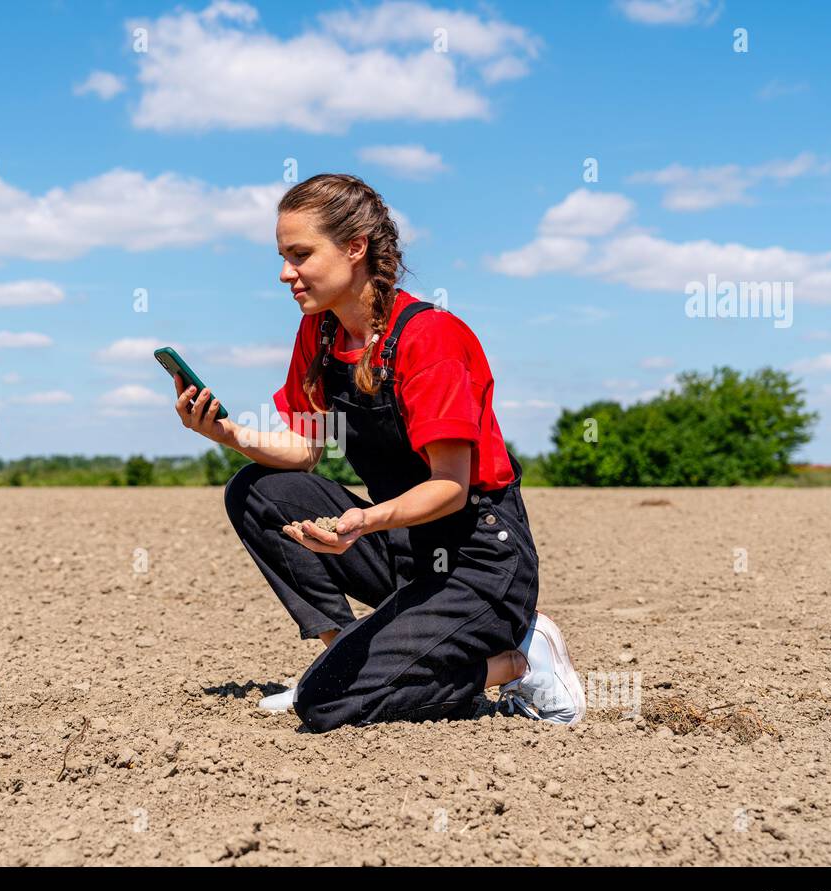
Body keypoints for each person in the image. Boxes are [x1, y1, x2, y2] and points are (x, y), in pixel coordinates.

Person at [170, 172, 584, 733]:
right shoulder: (319, 333)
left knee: (325, 706)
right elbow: (304, 450)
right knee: (257, 489)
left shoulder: (428, 337)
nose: (285, 273)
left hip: (478, 563)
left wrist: (364, 519)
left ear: (355, 247)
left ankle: (516, 660)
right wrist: (227, 434)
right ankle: (343, 654)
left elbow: (450, 486)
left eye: (300, 254)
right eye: (282, 256)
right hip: (403, 547)